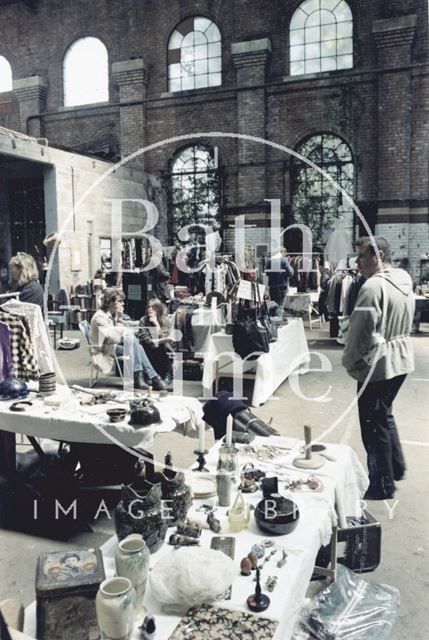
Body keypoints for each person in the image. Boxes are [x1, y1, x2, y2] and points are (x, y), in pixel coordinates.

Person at [342, 237, 415, 500]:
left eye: (362, 256)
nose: (357, 262)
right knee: (384, 416)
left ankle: (382, 485)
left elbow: (360, 332)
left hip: (379, 364)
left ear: (379, 255)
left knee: (373, 425)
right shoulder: (403, 278)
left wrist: (351, 362)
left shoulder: (372, 287)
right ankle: (395, 466)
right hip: (401, 359)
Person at [90, 288, 165, 391]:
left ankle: (145, 376)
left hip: (112, 345)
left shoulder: (112, 314)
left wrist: (121, 321)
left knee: (136, 344)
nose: (123, 304)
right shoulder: (100, 317)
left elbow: (118, 331)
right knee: (133, 341)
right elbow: (111, 336)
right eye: (119, 301)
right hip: (104, 349)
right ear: (109, 302)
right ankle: (151, 377)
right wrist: (122, 326)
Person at [138, 298, 176, 387]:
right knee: (152, 346)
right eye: (149, 307)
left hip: (162, 348)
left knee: (164, 347)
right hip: (148, 347)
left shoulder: (166, 321)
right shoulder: (143, 320)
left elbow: (165, 338)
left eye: (153, 307)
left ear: (158, 310)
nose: (150, 309)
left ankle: (168, 374)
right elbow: (146, 340)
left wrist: (156, 324)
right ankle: (148, 375)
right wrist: (161, 340)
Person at [265, 247, 294, 316]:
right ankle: (277, 322)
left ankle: (272, 321)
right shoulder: (284, 260)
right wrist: (290, 268)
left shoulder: (269, 260)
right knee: (280, 305)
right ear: (282, 252)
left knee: (273, 304)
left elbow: (267, 273)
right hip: (282, 285)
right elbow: (290, 273)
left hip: (272, 286)